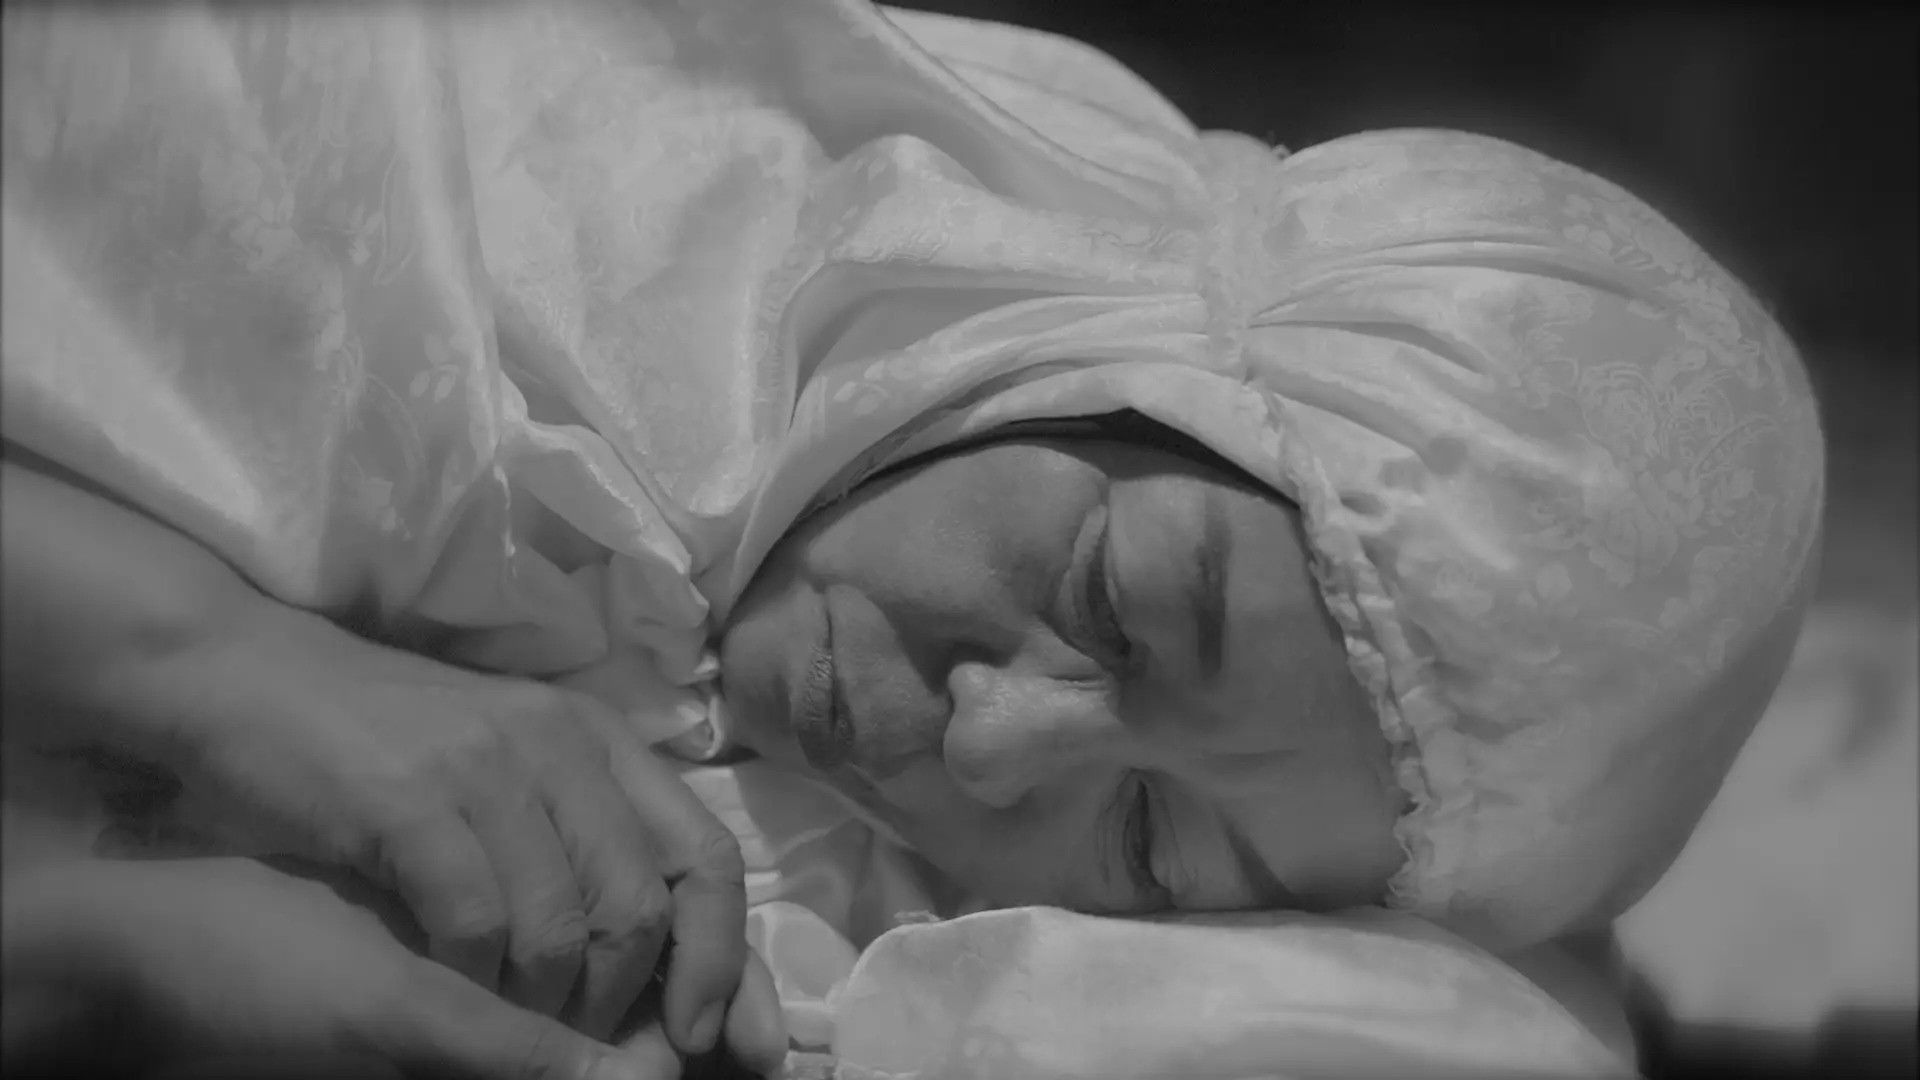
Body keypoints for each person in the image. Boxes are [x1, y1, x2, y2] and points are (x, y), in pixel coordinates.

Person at [1, 0, 1824, 1075]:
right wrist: (203, 661)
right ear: (1094, 337)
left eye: (1151, 846)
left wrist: (88, 957)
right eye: (1112, 601)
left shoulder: (851, 939)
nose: (992, 745)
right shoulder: (457, 139)